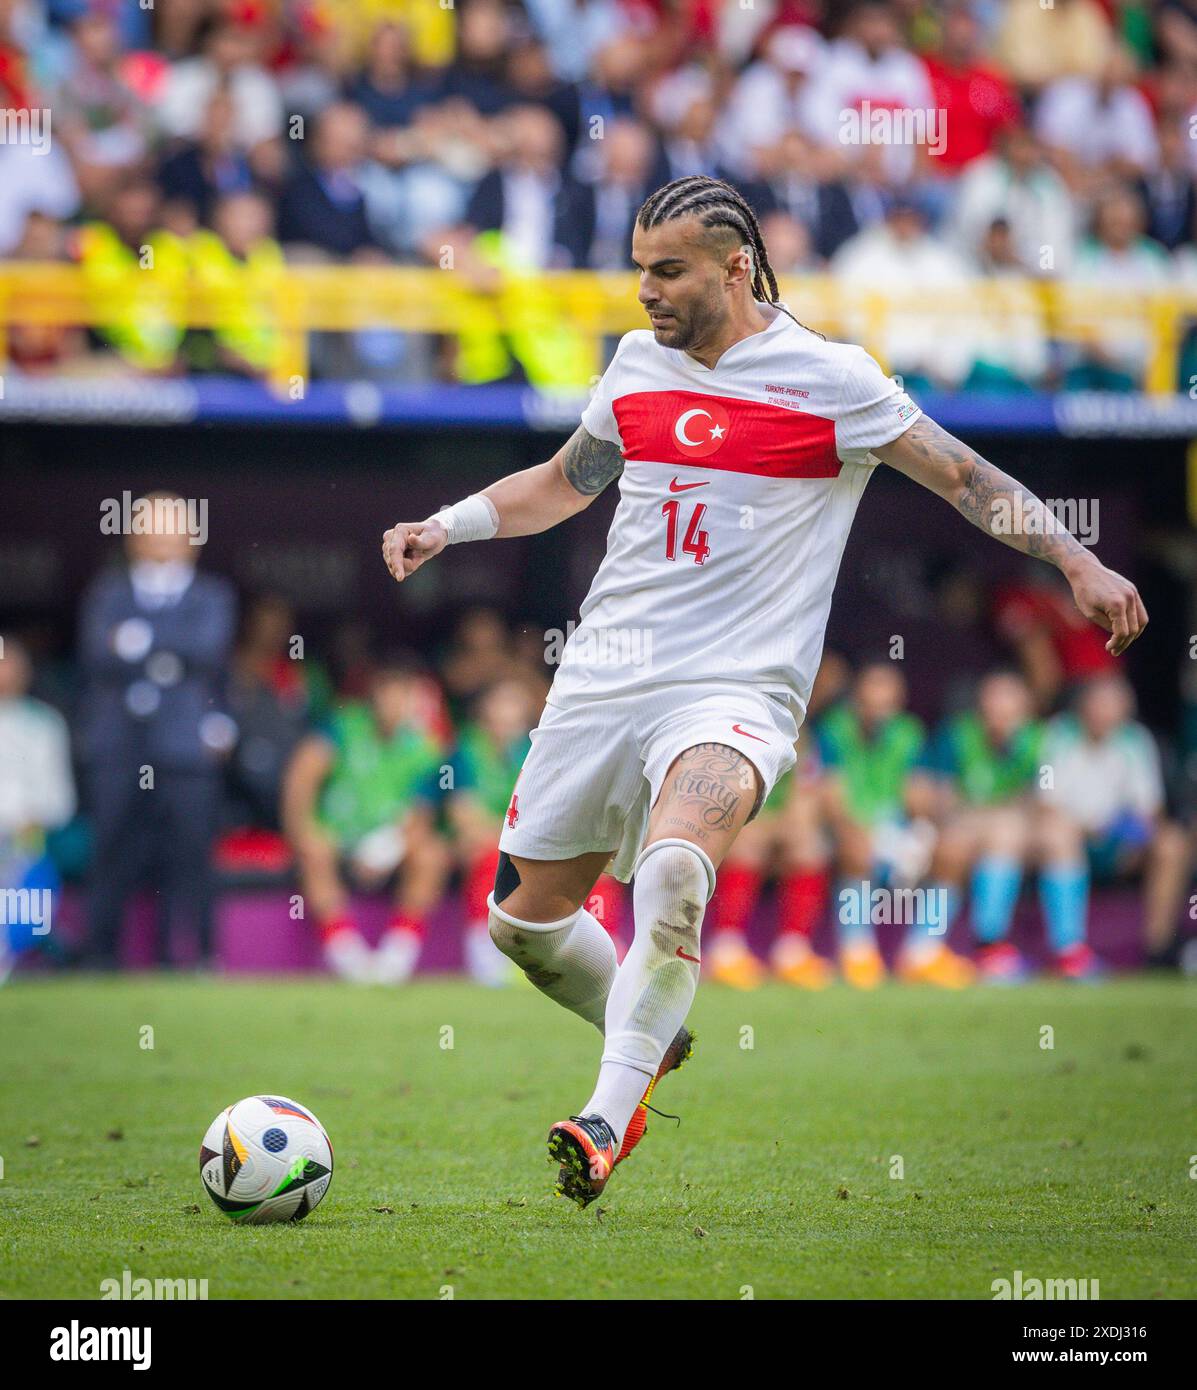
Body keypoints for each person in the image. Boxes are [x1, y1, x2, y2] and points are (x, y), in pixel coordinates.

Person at [381, 174, 1146, 1208]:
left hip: (735, 688)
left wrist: (1075, 561)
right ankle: (651, 1026)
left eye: (667, 270)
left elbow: (969, 479)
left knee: (674, 874)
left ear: (734, 267)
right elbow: (566, 480)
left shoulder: (834, 379)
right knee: (521, 925)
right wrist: (450, 523)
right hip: (606, 677)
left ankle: (608, 1113)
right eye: (638, 269)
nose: (644, 291)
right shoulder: (634, 365)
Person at [78, 493, 236, 968]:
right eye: (151, 528)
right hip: (118, 744)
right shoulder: (108, 592)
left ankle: (195, 955)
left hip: (184, 747)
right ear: (132, 537)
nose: (162, 539)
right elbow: (97, 653)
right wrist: (165, 654)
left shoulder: (212, 594)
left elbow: (205, 650)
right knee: (110, 848)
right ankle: (99, 956)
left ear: (191, 539)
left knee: (189, 851)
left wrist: (138, 640)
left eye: (172, 529)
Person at [281, 655, 451, 984]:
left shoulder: (426, 747)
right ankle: (347, 956)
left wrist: (388, 848)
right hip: (336, 835)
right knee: (314, 849)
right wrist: (302, 829)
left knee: (432, 855)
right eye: (386, 692)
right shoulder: (343, 726)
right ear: (374, 694)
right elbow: (301, 778)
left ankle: (396, 958)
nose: (393, 702)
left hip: (388, 842)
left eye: (402, 694)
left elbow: (423, 813)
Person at [818, 660, 972, 988]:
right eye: (872, 693)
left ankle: (922, 954)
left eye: (887, 698)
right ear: (857, 696)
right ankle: (857, 954)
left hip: (895, 830)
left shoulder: (909, 732)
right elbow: (831, 798)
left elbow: (919, 791)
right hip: (845, 829)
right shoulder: (834, 729)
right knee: (855, 846)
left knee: (953, 849)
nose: (878, 706)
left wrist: (919, 832)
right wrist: (858, 831)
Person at [1036, 674, 1180, 978]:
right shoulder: (1059, 734)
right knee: (1057, 833)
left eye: (1112, 705)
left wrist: (1128, 834)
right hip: (1069, 839)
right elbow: (1046, 803)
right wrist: (1087, 828)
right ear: (1082, 706)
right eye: (1097, 703)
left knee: (1172, 843)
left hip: (1119, 843)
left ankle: (1159, 951)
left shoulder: (1136, 740)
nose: (1104, 712)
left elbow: (1149, 809)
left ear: (1126, 709)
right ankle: (1069, 950)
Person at [927, 671, 1043, 981]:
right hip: (958, 829)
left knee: (1009, 830)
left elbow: (1042, 805)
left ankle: (992, 945)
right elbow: (940, 802)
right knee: (956, 843)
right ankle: (924, 951)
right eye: (993, 697)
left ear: (1026, 706)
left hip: (1023, 835)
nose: (999, 707)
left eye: (1008, 697)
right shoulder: (958, 736)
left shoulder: (1038, 741)